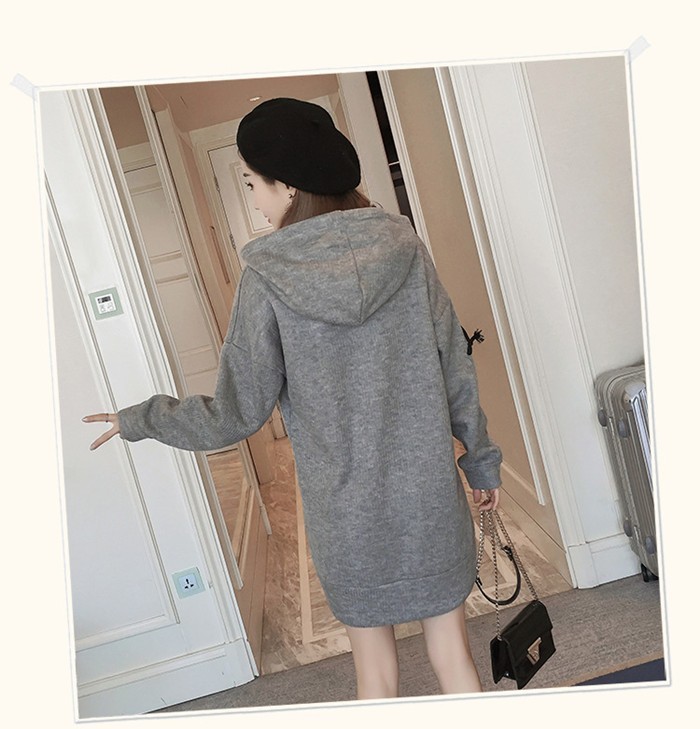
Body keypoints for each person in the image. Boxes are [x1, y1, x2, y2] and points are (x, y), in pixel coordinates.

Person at [84, 97, 502, 700]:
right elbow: (453, 367)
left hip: (347, 517)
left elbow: (235, 413)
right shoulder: (405, 248)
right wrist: (480, 461)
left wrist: (143, 418)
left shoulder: (266, 277)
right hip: (428, 497)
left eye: (254, 184)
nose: (256, 200)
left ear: (288, 186)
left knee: (376, 676)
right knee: (453, 656)